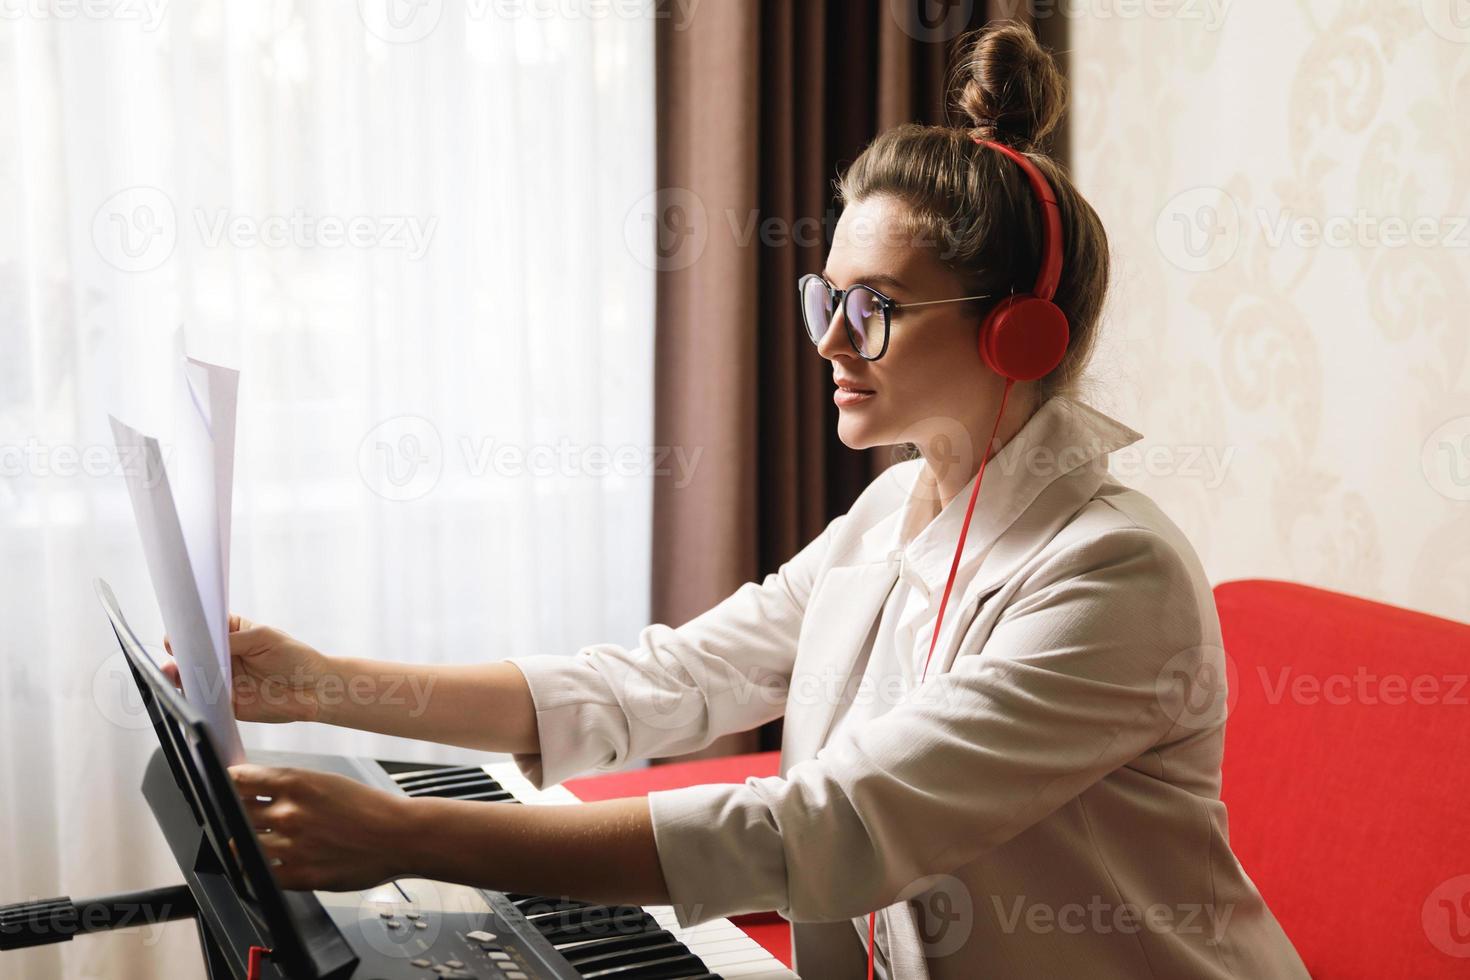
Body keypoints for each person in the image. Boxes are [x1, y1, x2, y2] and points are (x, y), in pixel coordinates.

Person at [166, 23, 1311, 979]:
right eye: (826, 296)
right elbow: (665, 680)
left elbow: (832, 822)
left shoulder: (1114, 575)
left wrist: (416, 835)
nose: (827, 340)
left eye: (875, 308)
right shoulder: (892, 514)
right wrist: (320, 679)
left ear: (1018, 331)